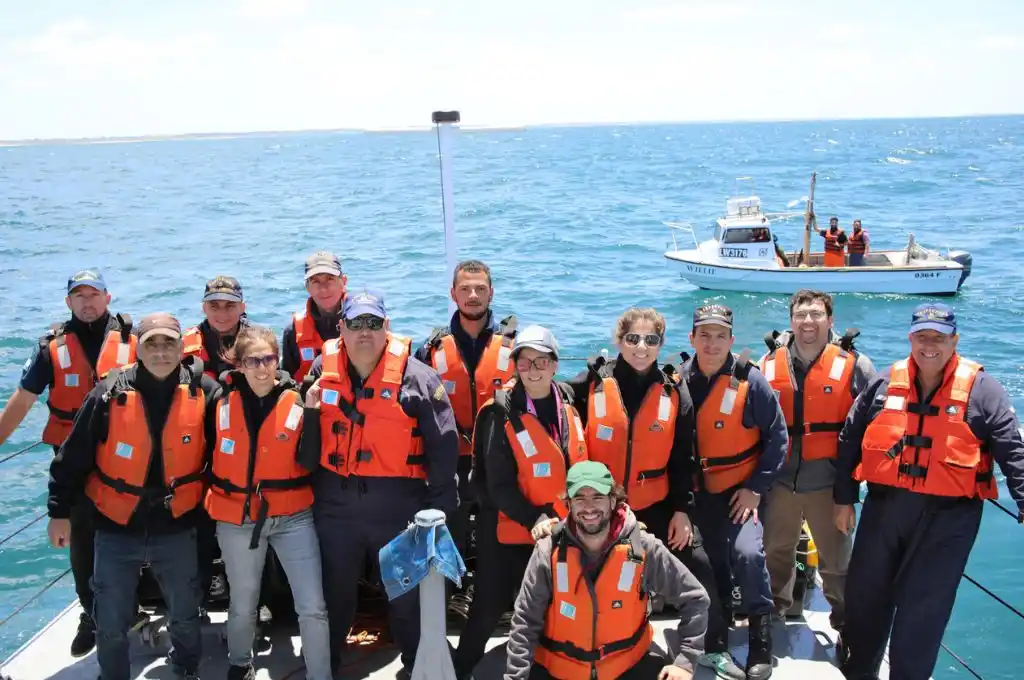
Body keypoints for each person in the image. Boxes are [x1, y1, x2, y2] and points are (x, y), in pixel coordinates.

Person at [834, 303, 1024, 680]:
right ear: (911, 339)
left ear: (954, 341)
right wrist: (844, 498)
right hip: (884, 511)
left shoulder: (983, 392)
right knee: (864, 604)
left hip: (948, 521)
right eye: (923, 337)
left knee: (921, 617)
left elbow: (1012, 449)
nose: (930, 346)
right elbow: (850, 437)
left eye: (939, 338)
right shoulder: (885, 382)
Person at [566, 307, 743, 680]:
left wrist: (682, 511)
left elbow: (683, 456)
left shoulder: (672, 388)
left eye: (651, 340)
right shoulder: (595, 380)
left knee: (703, 569)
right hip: (601, 511)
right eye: (633, 338)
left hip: (657, 505)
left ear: (661, 344)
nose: (641, 347)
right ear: (620, 341)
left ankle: (711, 648)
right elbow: (555, 394)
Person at [45, 313, 221, 680]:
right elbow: (71, 458)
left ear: (181, 348)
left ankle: (186, 669)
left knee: (186, 612)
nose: (160, 352)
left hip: (176, 523)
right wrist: (58, 511)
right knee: (109, 617)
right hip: (115, 525)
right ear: (137, 348)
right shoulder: (107, 394)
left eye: (168, 343)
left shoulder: (205, 392)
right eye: (151, 343)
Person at [304, 288, 460, 676]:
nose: (364, 332)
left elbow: (444, 446)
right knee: (333, 595)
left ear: (386, 328)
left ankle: (416, 666)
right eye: (356, 323)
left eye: (373, 323)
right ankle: (327, 667)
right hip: (335, 505)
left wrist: (440, 510)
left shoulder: (419, 378)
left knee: (406, 596)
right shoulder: (319, 376)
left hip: (398, 506)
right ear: (341, 327)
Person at [0, 269, 136, 657]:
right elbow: (22, 401)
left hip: (127, 459)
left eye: (94, 295)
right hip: (74, 466)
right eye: (79, 296)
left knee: (137, 536)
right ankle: (91, 614)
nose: (87, 302)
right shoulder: (50, 349)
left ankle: (136, 606)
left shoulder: (134, 340)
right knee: (83, 546)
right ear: (68, 303)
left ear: (108, 299)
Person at [452, 324, 587, 680]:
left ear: (555, 364)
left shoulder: (568, 403)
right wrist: (535, 518)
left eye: (541, 361)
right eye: (524, 363)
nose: (533, 369)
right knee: (488, 605)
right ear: (515, 367)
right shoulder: (501, 413)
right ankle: (461, 670)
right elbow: (497, 485)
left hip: (557, 531)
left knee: (556, 607)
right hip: (508, 529)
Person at [504, 460, 711, 680]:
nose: (589, 508)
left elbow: (695, 599)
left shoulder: (644, 547)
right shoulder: (548, 551)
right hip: (559, 670)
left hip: (626, 666)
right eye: (580, 499)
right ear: (569, 504)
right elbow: (525, 622)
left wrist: (686, 661)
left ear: (613, 501)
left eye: (597, 497)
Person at [204, 326, 331, 680]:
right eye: (253, 360)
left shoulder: (298, 399)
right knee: (243, 602)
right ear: (239, 364)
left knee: (313, 606)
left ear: (278, 360)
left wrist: (312, 414)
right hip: (237, 515)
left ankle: (321, 674)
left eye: (268, 359)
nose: (262, 368)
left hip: (293, 516)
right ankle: (239, 663)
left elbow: (308, 462)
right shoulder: (219, 402)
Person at [680, 304, 788, 680]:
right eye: (704, 335)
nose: (712, 343)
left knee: (746, 554)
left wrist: (755, 489)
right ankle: (715, 641)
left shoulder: (751, 381)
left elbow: (778, 438)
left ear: (731, 340)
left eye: (720, 335)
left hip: (741, 492)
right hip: (697, 494)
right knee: (707, 565)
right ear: (691, 338)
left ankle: (760, 641)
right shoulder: (678, 381)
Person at [758, 290, 875, 636]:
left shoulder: (857, 366)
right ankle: (772, 617)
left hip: (830, 483)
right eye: (801, 314)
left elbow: (876, 425)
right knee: (775, 553)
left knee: (837, 562)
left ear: (830, 320)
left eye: (816, 314)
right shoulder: (766, 366)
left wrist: (856, 488)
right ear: (791, 320)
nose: (808, 321)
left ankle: (846, 624)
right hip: (780, 482)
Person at [414, 259, 517, 609]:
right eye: (465, 289)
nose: (473, 295)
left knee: (497, 539)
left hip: (499, 461)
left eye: (480, 289)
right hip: (450, 463)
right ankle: (447, 602)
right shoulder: (431, 350)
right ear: (453, 294)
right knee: (449, 536)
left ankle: (497, 603)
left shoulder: (515, 347)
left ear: (491, 293)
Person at [282, 251, 348, 381]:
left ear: (343, 281)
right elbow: (287, 381)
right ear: (307, 287)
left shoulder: (363, 323)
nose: (323, 288)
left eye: (330, 279)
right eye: (316, 281)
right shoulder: (293, 332)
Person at [182, 275, 250, 379]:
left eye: (230, 305)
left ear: (242, 307)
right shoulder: (183, 344)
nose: (222, 314)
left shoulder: (259, 341)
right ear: (204, 308)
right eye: (214, 306)